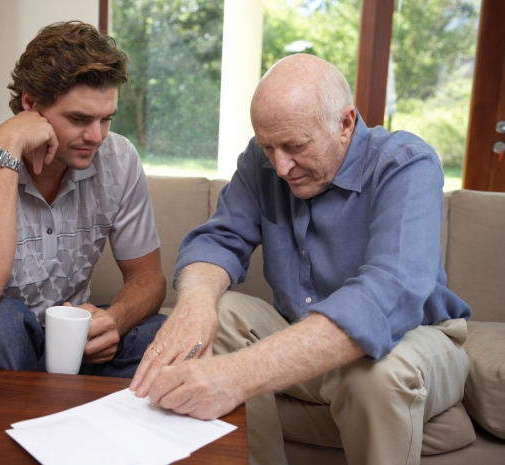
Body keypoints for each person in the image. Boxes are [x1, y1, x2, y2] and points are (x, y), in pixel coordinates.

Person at [129, 53, 471, 465]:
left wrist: (237, 376)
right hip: (302, 335)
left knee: (376, 375)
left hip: (413, 340)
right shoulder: (265, 161)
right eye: (268, 147)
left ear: (345, 123)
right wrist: (196, 304)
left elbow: (389, 293)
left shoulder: (406, 164)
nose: (280, 166)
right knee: (219, 308)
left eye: (295, 146)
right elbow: (218, 240)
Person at [0, 21, 167, 378]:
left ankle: (84, 426)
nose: (96, 136)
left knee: (158, 333)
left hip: (65, 337)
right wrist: (6, 148)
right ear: (31, 105)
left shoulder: (119, 158)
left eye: (106, 119)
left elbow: (148, 277)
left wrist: (115, 319)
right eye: (79, 118)